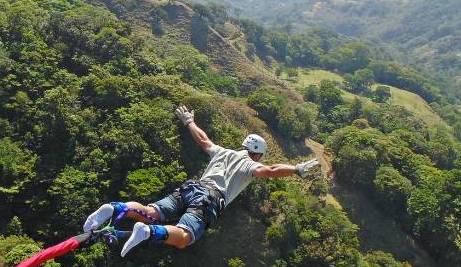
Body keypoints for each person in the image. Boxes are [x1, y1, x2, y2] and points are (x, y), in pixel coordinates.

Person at [83, 105, 320, 256]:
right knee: (184, 237)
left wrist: (189, 121)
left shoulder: (223, 151)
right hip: (209, 200)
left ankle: (114, 208)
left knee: (151, 211)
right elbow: (270, 170)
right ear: (257, 153)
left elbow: (203, 140)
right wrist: (296, 169)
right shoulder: (251, 164)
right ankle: (147, 232)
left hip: (191, 187)